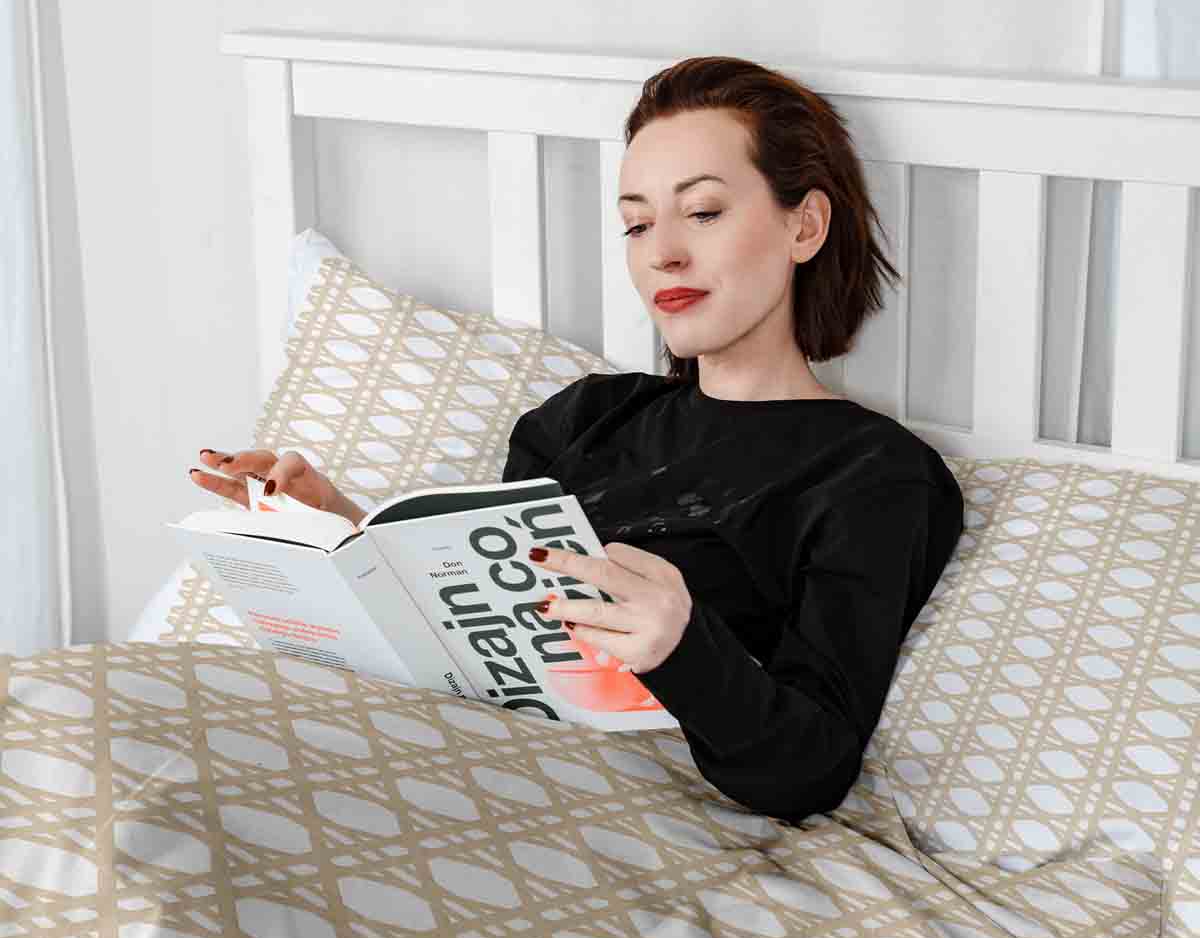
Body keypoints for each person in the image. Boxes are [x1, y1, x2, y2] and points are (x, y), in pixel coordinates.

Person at [191, 56, 964, 826]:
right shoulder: (589, 415)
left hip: (611, 813)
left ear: (805, 226)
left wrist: (683, 647)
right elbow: (475, 635)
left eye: (702, 212)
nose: (662, 252)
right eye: (637, 223)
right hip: (445, 757)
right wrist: (338, 530)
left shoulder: (872, 473)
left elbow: (812, 769)